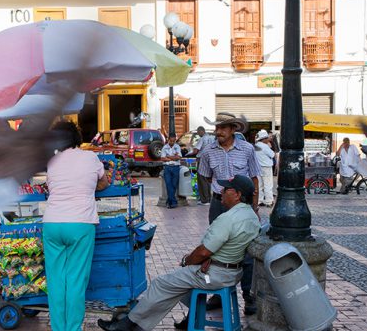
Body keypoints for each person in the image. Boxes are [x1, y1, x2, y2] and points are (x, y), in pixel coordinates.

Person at [97, 175, 260, 331]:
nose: (221, 192)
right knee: (179, 283)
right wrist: (210, 259)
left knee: (161, 283)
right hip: (231, 272)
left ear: (238, 195)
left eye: (226, 189)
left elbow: (203, 251)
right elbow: (227, 248)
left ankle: (128, 323)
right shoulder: (251, 216)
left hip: (215, 275)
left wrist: (187, 261)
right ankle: (190, 316)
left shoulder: (228, 218)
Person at [43, 121, 109, 331]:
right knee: (75, 280)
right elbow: (104, 182)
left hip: (52, 223)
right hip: (80, 223)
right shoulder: (91, 157)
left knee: (55, 281)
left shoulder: (52, 161)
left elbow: (51, 186)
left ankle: (58, 327)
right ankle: (72, 328)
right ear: (77, 139)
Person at [198, 112, 261, 315]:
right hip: (219, 203)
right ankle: (218, 293)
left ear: (233, 129)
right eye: (217, 128)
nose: (218, 132)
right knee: (217, 247)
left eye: (223, 128)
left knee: (248, 249)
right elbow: (207, 177)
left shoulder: (247, 149)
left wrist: (254, 206)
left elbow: (254, 178)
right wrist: (223, 195)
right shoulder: (208, 151)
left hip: (243, 205)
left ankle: (248, 295)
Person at [187, 126, 216, 205]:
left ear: (201, 131)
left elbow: (196, 150)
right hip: (210, 160)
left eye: (198, 132)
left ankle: (204, 200)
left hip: (202, 160)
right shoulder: (212, 138)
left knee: (201, 180)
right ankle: (209, 199)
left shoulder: (202, 139)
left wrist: (188, 153)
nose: (198, 134)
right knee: (208, 180)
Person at [161, 133, 182, 209]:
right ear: (168, 140)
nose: (172, 142)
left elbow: (179, 157)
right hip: (167, 167)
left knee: (174, 185)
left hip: (176, 167)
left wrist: (169, 157)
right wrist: (174, 157)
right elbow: (163, 158)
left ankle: (169, 202)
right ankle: (173, 202)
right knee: (168, 184)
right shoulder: (164, 147)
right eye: (171, 141)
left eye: (174, 141)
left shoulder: (177, 147)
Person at [254, 129, 275, 207]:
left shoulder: (255, 146)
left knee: (260, 185)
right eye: (267, 138)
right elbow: (272, 155)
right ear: (264, 139)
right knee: (268, 184)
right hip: (266, 167)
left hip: (258, 167)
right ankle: (269, 201)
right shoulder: (265, 146)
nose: (268, 139)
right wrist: (269, 147)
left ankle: (259, 200)